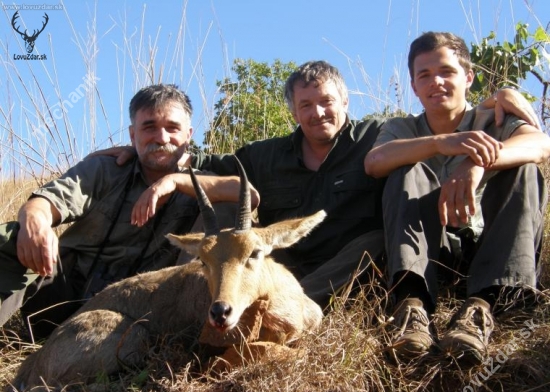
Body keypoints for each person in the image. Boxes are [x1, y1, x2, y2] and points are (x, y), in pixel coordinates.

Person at [102, 61, 540, 311]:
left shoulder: (378, 136)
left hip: (344, 271)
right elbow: (190, 159)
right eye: (305, 105)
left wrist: (495, 97)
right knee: (218, 225)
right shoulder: (263, 156)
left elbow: (440, 117)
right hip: (280, 267)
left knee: (372, 243)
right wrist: (145, 151)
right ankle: (184, 307)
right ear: (292, 110)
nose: (318, 113)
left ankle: (288, 311)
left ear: (345, 102)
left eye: (327, 101)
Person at [0, 84, 258, 340]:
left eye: (172, 128)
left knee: (227, 211)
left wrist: (174, 182)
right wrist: (35, 220)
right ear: (133, 135)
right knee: (12, 235)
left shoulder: (201, 184)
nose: (162, 138)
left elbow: (247, 195)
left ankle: (194, 340)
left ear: (188, 135)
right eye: (149, 127)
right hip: (63, 300)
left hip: (138, 313)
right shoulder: (105, 168)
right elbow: (47, 202)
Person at [364, 32, 550, 364]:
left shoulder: (493, 119)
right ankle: (411, 308)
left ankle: (481, 309)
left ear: (468, 77)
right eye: (424, 75)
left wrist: (477, 162)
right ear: (414, 86)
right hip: (433, 254)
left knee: (525, 171)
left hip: (490, 251)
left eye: (447, 71)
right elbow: (375, 162)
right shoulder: (402, 127)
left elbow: (540, 145)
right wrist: (439, 143)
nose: (436, 82)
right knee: (405, 171)